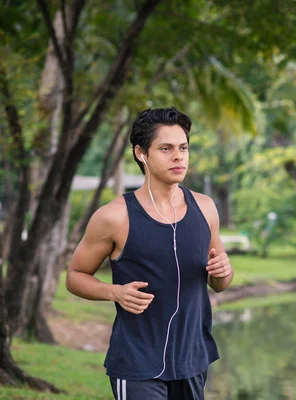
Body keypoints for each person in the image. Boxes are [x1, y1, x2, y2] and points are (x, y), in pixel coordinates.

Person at [66, 107, 233, 400]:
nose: (178, 156)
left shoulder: (205, 208)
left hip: (192, 360)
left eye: (183, 148)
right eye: (166, 148)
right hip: (137, 363)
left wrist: (224, 273)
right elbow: (75, 276)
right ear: (141, 153)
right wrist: (114, 292)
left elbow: (218, 283)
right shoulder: (114, 217)